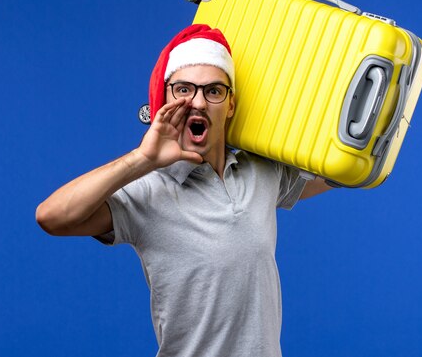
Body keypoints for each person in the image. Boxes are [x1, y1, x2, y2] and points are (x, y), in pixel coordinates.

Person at [36, 24, 332, 357]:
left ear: (231, 104)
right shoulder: (148, 190)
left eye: (213, 91)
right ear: (166, 99)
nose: (198, 102)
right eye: (183, 90)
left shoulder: (261, 171)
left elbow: (337, 172)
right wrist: (141, 159)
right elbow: (52, 217)